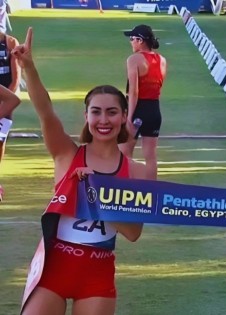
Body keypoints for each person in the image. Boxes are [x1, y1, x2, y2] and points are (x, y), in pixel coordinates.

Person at [14, 28, 148, 314]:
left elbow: (134, 232)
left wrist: (99, 198)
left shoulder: (137, 172)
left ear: (124, 116)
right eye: (96, 111)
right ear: (86, 116)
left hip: (97, 274)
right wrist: (28, 67)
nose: (103, 120)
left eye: (112, 112)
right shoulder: (67, 154)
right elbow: (45, 111)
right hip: (53, 269)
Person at [119, 24, 167, 180]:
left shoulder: (134, 59)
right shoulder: (162, 60)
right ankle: (152, 192)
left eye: (132, 39)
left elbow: (134, 91)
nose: (131, 42)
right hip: (154, 110)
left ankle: (125, 189)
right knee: (151, 156)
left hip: (138, 109)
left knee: (124, 153)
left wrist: (129, 117)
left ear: (140, 40)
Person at [0, 28, 20, 170]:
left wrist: (5, 103)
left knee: (0, 139)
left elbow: (16, 79)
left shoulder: (10, 43)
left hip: (5, 102)